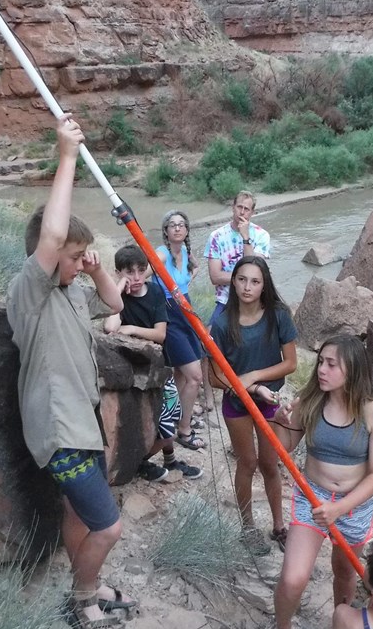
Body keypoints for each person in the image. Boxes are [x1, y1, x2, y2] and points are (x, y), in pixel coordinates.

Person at [7, 115, 134, 629]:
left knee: (78, 516)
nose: (80, 263)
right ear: (48, 254)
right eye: (75, 257)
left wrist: (96, 269)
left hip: (81, 427)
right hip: (62, 434)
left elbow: (116, 303)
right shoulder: (29, 291)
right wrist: (65, 157)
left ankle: (89, 582)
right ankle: (81, 602)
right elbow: (55, 234)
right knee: (109, 527)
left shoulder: (68, 290)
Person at [271, 335, 373, 629]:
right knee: (294, 577)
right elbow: (286, 449)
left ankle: (342, 623)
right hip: (313, 498)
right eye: (320, 362)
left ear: (351, 369)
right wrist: (281, 419)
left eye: (330, 364)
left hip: (354, 506)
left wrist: (341, 508)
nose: (320, 369)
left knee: (345, 573)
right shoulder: (309, 402)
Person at [208, 256, 297, 555]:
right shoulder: (221, 323)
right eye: (242, 279)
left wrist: (255, 376)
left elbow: (291, 364)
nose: (248, 287)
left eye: (255, 281)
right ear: (233, 281)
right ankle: (247, 527)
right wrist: (251, 387)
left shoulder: (278, 315)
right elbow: (215, 377)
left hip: (269, 402)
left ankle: (279, 526)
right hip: (238, 405)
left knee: (270, 464)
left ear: (264, 285)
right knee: (246, 462)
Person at [103, 243, 202, 482]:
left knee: (169, 417)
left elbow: (161, 334)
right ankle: (142, 463)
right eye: (129, 272)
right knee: (149, 421)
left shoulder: (156, 293)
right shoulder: (118, 298)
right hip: (132, 371)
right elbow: (109, 327)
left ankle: (161, 460)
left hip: (158, 367)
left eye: (140, 271)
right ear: (119, 273)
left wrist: (132, 329)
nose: (136, 278)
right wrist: (118, 290)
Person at [202, 191, 270, 408]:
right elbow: (215, 277)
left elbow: (255, 270)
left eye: (246, 209)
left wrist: (245, 237)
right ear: (232, 207)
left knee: (256, 344)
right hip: (225, 301)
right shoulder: (217, 236)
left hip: (254, 303)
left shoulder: (261, 236)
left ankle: (253, 387)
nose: (242, 212)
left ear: (252, 212)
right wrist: (242, 280)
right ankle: (209, 393)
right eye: (239, 207)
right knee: (209, 345)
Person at [154, 210, 206, 451]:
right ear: (166, 231)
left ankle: (174, 417)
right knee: (195, 376)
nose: (177, 228)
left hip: (185, 310)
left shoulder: (184, 252)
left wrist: (189, 277)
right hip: (170, 315)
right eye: (172, 225)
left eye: (181, 225)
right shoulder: (162, 253)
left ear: (186, 230)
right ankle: (184, 430)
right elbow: (146, 271)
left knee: (180, 375)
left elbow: (193, 268)